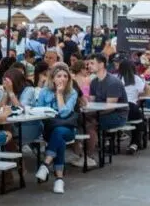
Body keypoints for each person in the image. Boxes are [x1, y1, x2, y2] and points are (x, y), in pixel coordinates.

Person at [34, 63, 79, 194]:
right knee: (58, 137)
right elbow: (39, 110)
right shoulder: (44, 91)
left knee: (59, 133)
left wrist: (59, 94)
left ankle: (45, 165)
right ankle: (59, 180)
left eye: (66, 76)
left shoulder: (72, 93)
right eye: (59, 76)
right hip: (50, 128)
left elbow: (64, 113)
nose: (63, 79)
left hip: (67, 128)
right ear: (53, 78)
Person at [82, 53, 128, 168]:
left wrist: (90, 114)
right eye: (88, 64)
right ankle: (79, 153)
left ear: (101, 64)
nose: (89, 66)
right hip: (100, 113)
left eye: (92, 63)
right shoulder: (94, 82)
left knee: (90, 124)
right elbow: (92, 103)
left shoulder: (113, 82)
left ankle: (89, 156)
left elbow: (110, 107)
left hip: (118, 115)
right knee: (78, 121)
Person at [117, 57, 150, 153]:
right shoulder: (137, 79)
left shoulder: (117, 78)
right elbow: (147, 92)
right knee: (139, 120)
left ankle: (112, 142)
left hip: (118, 108)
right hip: (132, 107)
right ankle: (135, 143)